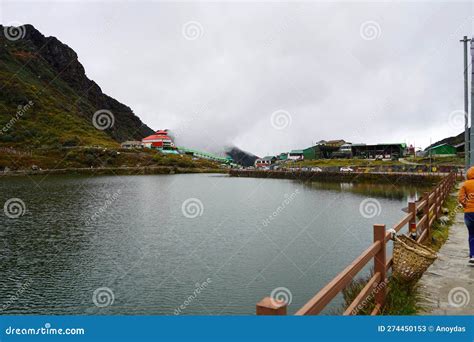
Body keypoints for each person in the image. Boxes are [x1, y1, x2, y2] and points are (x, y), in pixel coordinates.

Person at [458, 166, 474, 264]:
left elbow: (461, 198)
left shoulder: (465, 184)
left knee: (472, 234)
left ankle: (473, 255)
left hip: (469, 213)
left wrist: (466, 205)